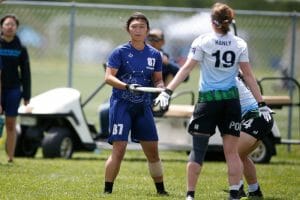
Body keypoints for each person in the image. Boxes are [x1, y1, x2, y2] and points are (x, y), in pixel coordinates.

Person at [155, 3, 272, 200]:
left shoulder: (203, 41)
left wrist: (167, 90)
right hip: (231, 102)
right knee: (233, 153)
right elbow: (250, 77)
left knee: (198, 150)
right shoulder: (239, 43)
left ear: (212, 22)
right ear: (230, 21)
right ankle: (235, 193)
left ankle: (190, 195)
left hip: (208, 101)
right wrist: (262, 103)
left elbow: (185, 69)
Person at [103, 12, 168, 195]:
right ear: (128, 30)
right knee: (119, 150)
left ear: (147, 30)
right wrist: (126, 86)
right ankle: (107, 191)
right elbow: (108, 77)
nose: (138, 30)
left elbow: (157, 80)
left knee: (153, 152)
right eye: (134, 27)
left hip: (143, 107)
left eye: (142, 27)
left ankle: (161, 191)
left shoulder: (154, 54)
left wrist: (161, 90)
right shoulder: (119, 52)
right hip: (121, 105)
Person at [236, 74, 274, 199]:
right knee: (241, 156)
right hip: (261, 118)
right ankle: (255, 191)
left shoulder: (226, 80)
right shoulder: (227, 76)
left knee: (233, 153)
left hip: (257, 117)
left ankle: (237, 189)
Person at [0, 14, 31, 163]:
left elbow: (25, 72)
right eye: (6, 24)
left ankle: (10, 157)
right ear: (1, 27)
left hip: (13, 89)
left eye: (12, 24)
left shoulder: (21, 48)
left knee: (10, 124)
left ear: (16, 28)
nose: (9, 27)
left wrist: (27, 95)